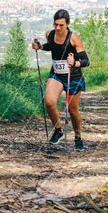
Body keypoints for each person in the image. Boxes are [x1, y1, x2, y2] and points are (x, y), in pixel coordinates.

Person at [31, 9, 90, 150]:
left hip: (73, 77)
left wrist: (75, 63)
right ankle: (58, 130)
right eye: (55, 24)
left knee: (73, 110)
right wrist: (39, 47)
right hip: (57, 74)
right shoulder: (50, 34)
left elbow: (86, 61)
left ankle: (78, 137)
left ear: (67, 24)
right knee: (49, 102)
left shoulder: (73, 38)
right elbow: (51, 47)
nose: (57, 28)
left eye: (61, 25)